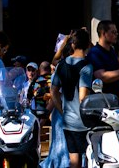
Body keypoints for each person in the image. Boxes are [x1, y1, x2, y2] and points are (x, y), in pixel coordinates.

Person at [50, 29, 92, 168]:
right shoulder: (86, 66)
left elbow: (54, 91)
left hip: (68, 120)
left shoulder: (61, 65)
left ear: (72, 45)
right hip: (83, 122)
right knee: (88, 159)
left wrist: (61, 111)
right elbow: (82, 97)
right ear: (88, 46)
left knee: (73, 160)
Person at [86, 21, 119, 92]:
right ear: (104, 34)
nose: (116, 35)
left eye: (116, 32)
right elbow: (102, 76)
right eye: (113, 32)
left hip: (116, 98)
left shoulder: (112, 51)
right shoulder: (95, 52)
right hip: (104, 99)